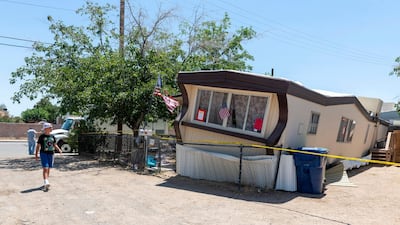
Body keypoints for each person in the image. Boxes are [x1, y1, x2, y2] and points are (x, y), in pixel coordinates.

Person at [35, 122, 62, 191]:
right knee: (45, 168)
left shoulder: (52, 136)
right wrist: (36, 154)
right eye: (50, 127)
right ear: (46, 128)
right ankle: (46, 181)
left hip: (51, 154)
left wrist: (59, 149)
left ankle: (46, 181)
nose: (52, 128)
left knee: (49, 168)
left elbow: (54, 144)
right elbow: (38, 146)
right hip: (43, 153)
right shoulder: (42, 137)